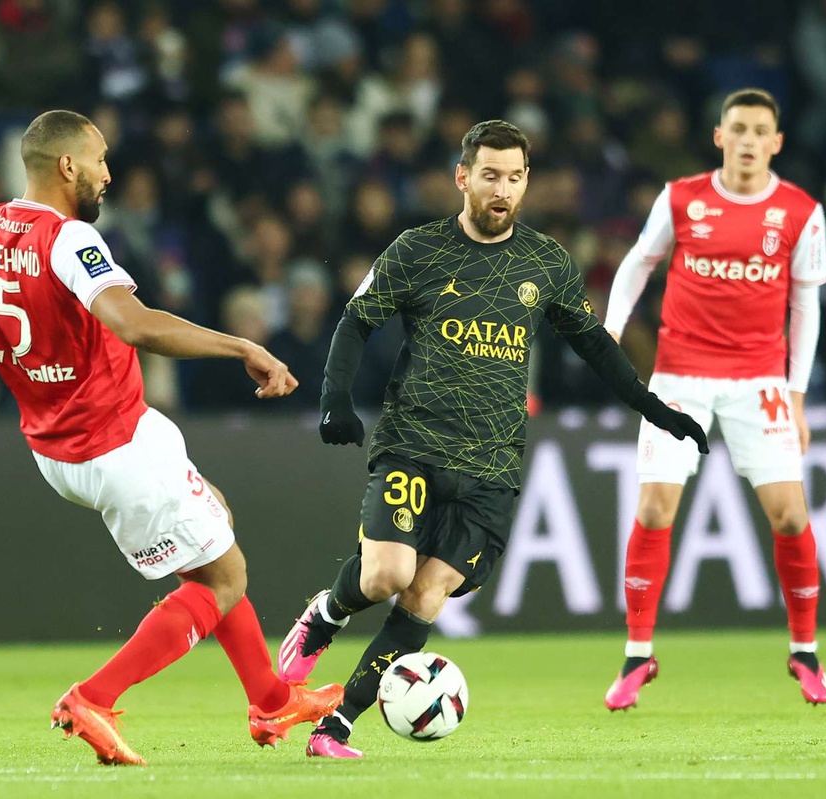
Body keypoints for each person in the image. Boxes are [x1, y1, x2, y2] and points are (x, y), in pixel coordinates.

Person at [0, 110, 342, 766]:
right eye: (101, 160)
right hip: (115, 443)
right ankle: (93, 696)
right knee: (224, 578)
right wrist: (242, 345)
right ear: (66, 166)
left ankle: (269, 697)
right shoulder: (68, 241)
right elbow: (133, 323)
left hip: (57, 446)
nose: (109, 174)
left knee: (213, 519)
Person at [276, 119, 709, 759]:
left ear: (526, 182)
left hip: (493, 468)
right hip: (414, 445)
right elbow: (356, 319)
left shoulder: (546, 263)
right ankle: (326, 615)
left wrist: (654, 408)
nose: (501, 189)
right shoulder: (418, 250)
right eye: (489, 176)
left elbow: (594, 346)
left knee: (426, 596)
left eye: (513, 178)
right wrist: (334, 400)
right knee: (385, 577)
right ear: (463, 178)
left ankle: (334, 727)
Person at [600, 88, 826, 710]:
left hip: (759, 381)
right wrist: (611, 334)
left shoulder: (800, 212)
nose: (750, 140)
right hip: (679, 374)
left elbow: (805, 305)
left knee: (788, 514)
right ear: (719, 135)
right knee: (654, 507)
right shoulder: (682, 198)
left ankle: (805, 653)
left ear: (777, 142)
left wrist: (799, 395)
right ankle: (636, 658)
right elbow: (638, 262)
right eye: (740, 128)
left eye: (762, 130)